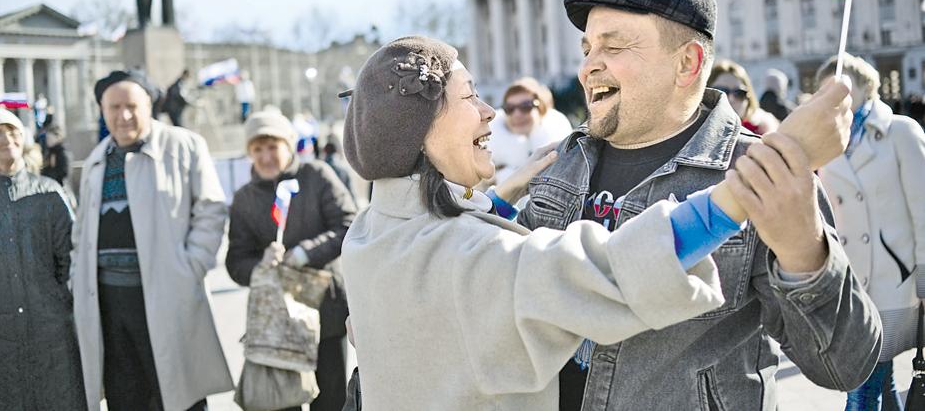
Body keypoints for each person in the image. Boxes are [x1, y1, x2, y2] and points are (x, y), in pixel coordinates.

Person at [339, 35, 857, 410]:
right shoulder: (472, 260)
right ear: (422, 127)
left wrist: (502, 193)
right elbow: (614, 269)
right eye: (470, 95)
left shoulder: (368, 233)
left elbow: (444, 232)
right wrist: (763, 174)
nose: (490, 111)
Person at [517, 0, 881, 411]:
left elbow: (844, 365)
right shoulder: (562, 161)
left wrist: (805, 252)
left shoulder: (760, 170)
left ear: (687, 64)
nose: (588, 66)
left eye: (613, 48)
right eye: (587, 49)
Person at [71, 69, 233, 411]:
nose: (123, 115)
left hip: (167, 295)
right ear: (102, 110)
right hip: (110, 304)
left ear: (149, 105)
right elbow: (81, 231)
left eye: (132, 105)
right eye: (113, 107)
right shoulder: (95, 162)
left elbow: (211, 210)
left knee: (178, 395)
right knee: (125, 395)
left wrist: (191, 267)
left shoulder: (184, 146)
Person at [815, 53, 925, 410]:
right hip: (848, 281)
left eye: (843, 84)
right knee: (880, 378)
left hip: (894, 280)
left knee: (862, 387)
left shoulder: (900, 131)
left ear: (865, 85)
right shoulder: (828, 139)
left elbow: (922, 209)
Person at [226, 110, 356, 411]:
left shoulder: (317, 175)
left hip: (327, 309)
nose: (266, 156)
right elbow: (236, 261)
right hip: (278, 321)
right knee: (282, 402)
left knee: (331, 398)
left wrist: (306, 252)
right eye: (258, 149)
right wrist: (260, 264)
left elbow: (349, 225)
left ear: (288, 144)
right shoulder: (244, 199)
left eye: (273, 146)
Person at [0, 109, 87, 410]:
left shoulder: (49, 193)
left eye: (13, 131)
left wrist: (57, 303)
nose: (6, 138)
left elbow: (70, 259)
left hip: (50, 332)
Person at [489, 77, 573, 183]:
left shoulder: (560, 145)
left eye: (526, 106)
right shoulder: (487, 159)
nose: (517, 114)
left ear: (541, 109)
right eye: (509, 108)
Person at [709, 59, 780, 135]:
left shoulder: (765, 134)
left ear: (749, 99)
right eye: (721, 91)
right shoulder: (696, 133)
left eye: (739, 93)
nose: (731, 99)